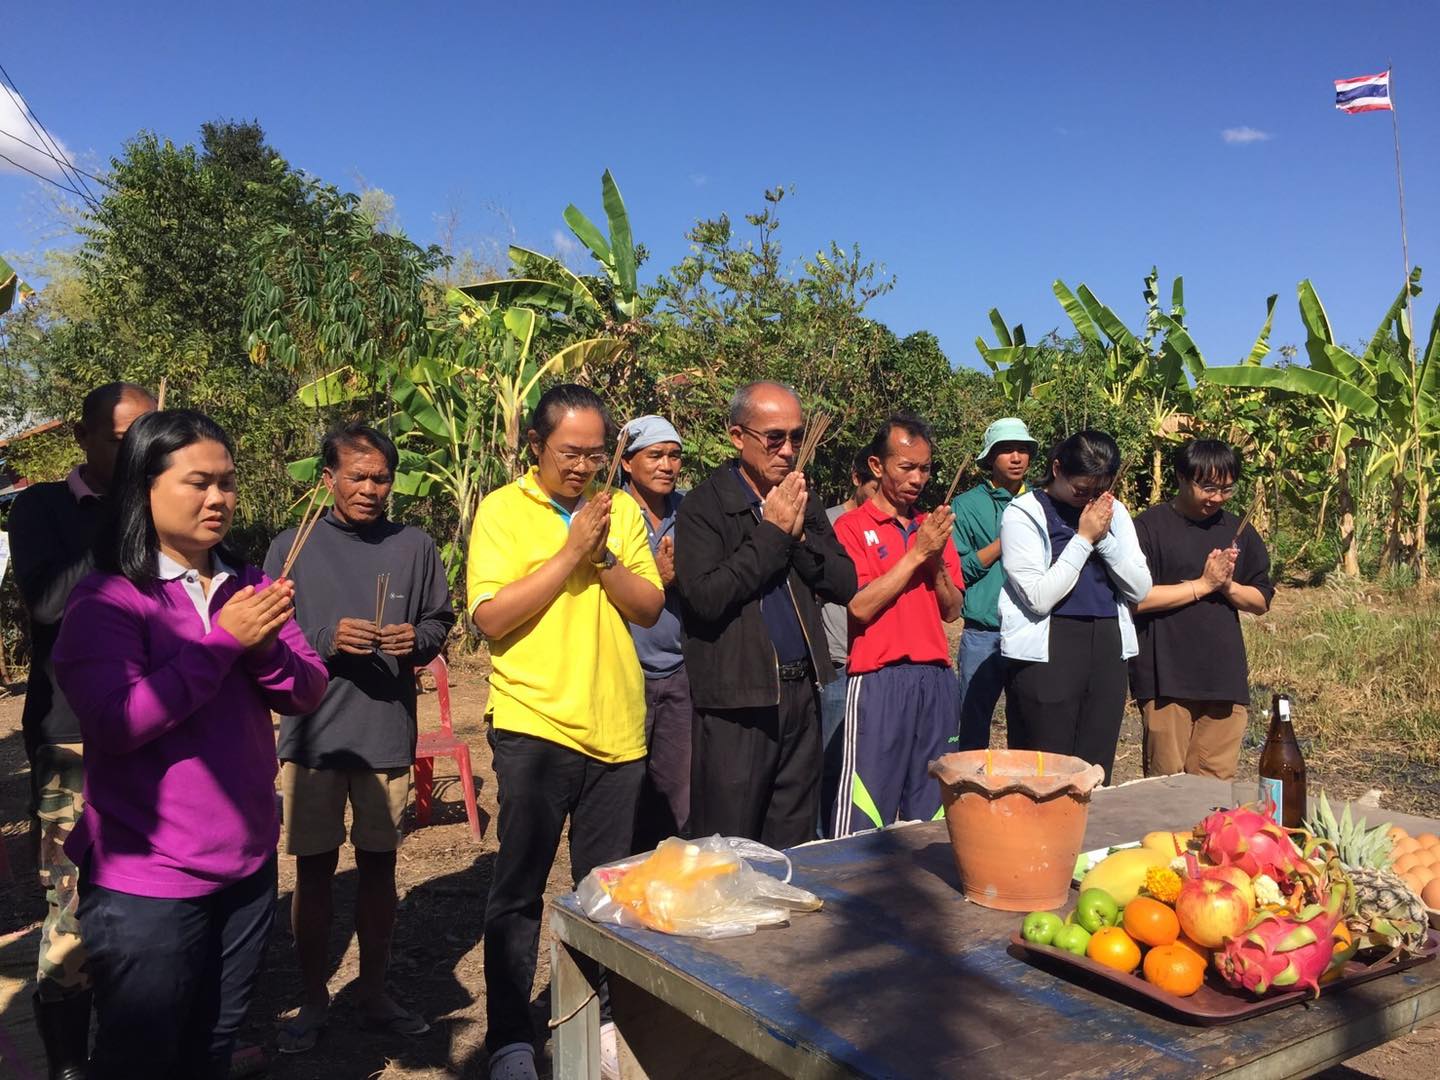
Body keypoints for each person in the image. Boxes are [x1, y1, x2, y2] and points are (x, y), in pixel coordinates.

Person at [51, 410, 328, 1078]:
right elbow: (116, 722)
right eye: (198, 482)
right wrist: (223, 643)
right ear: (143, 488)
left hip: (247, 866)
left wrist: (258, 648)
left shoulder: (249, 584)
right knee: (141, 1057)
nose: (218, 499)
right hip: (148, 880)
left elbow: (306, 689)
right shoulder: (110, 600)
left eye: (228, 484)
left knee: (214, 1045)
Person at [467, 384, 663, 1080]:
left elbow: (648, 607)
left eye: (592, 454)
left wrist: (603, 555)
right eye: (567, 453)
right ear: (535, 448)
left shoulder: (622, 516)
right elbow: (492, 618)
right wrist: (570, 551)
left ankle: (599, 1020)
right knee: (518, 890)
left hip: (617, 731)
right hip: (535, 725)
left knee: (604, 894)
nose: (581, 467)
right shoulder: (502, 511)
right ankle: (512, 1038)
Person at [265, 424, 455, 1052]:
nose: (371, 489)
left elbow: (438, 621)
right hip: (314, 734)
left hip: (383, 731)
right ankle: (314, 1000)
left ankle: (373, 991)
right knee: (313, 870)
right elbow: (266, 635)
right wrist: (325, 639)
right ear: (328, 480)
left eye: (381, 477)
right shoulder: (292, 548)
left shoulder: (414, 545)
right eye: (357, 477)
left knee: (380, 868)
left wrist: (417, 642)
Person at [7, 380, 155, 1078]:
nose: (137, 452)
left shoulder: (166, 506)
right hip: (72, 737)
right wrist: (124, 523)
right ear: (84, 440)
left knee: (147, 897)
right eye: (123, 439)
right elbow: (45, 602)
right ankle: (68, 1063)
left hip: (158, 730)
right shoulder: (41, 508)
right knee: (72, 904)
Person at [675, 381, 858, 848]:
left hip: (802, 691)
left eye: (796, 436)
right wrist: (774, 533)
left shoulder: (801, 497)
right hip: (738, 698)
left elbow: (842, 581)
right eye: (774, 437)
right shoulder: (705, 505)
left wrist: (797, 539)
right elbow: (706, 597)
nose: (789, 450)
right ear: (738, 436)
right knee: (730, 841)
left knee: (792, 836)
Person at [831, 413, 963, 836]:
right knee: (866, 806)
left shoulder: (934, 528)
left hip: (935, 677)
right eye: (906, 467)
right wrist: (915, 555)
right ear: (877, 466)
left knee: (929, 806)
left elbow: (952, 609)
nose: (917, 478)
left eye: (925, 468)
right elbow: (860, 606)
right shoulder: (850, 527)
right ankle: (851, 892)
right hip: (878, 679)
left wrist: (936, 555)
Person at [999, 431, 1151, 784]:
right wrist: (1083, 539)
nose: (1089, 499)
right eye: (1081, 490)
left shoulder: (1113, 513)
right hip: (1049, 646)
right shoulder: (1023, 513)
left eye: (1098, 491)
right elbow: (1038, 597)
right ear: (1056, 469)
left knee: (1095, 765)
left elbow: (1140, 587)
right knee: (1046, 764)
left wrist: (1105, 539)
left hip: (1107, 642)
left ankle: (1088, 837)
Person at [1131, 439, 1274, 780]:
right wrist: (1203, 585)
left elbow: (1261, 601)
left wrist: (1227, 586)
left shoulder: (1238, 531)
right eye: (1207, 487)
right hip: (1165, 676)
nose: (1217, 498)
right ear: (1181, 477)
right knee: (1166, 783)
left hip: (1223, 676)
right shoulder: (1149, 527)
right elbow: (1136, 600)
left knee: (1215, 784)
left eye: (1226, 489)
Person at [619, 414, 693, 848]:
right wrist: (659, 579)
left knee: (676, 792)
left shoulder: (689, 512)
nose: (667, 465)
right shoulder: (609, 512)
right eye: (656, 455)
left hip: (679, 671)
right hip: (625, 670)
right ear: (628, 463)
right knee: (625, 789)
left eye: (674, 456)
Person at [951, 417, 1037, 750]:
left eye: (1022, 450)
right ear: (990, 458)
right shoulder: (967, 506)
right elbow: (957, 571)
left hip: (1032, 632)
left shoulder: (1043, 504)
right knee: (971, 725)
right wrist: (1003, 543)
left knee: (1029, 723)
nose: (1016, 457)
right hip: (982, 633)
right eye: (1006, 451)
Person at [818, 450, 878, 836]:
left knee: (866, 761)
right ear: (857, 479)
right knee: (832, 758)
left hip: (874, 663)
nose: (879, 495)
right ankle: (824, 835)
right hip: (838, 661)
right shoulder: (827, 523)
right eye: (873, 486)